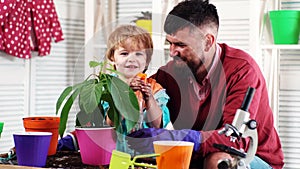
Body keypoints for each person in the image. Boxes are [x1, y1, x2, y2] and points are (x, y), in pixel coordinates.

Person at [126, 0, 284, 169]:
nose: (172, 52)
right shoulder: (172, 72)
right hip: (198, 155)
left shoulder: (242, 71)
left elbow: (234, 141)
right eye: (169, 43)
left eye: (180, 45)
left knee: (219, 161)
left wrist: (180, 138)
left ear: (208, 41)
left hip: (252, 157)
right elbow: (144, 92)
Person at [57, 25, 173, 156]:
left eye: (139, 54)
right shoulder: (105, 88)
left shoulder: (154, 89)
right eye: (124, 53)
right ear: (112, 58)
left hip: (146, 158)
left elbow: (158, 125)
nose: (131, 58)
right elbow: (107, 125)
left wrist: (149, 99)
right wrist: (122, 95)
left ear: (147, 61)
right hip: (113, 156)